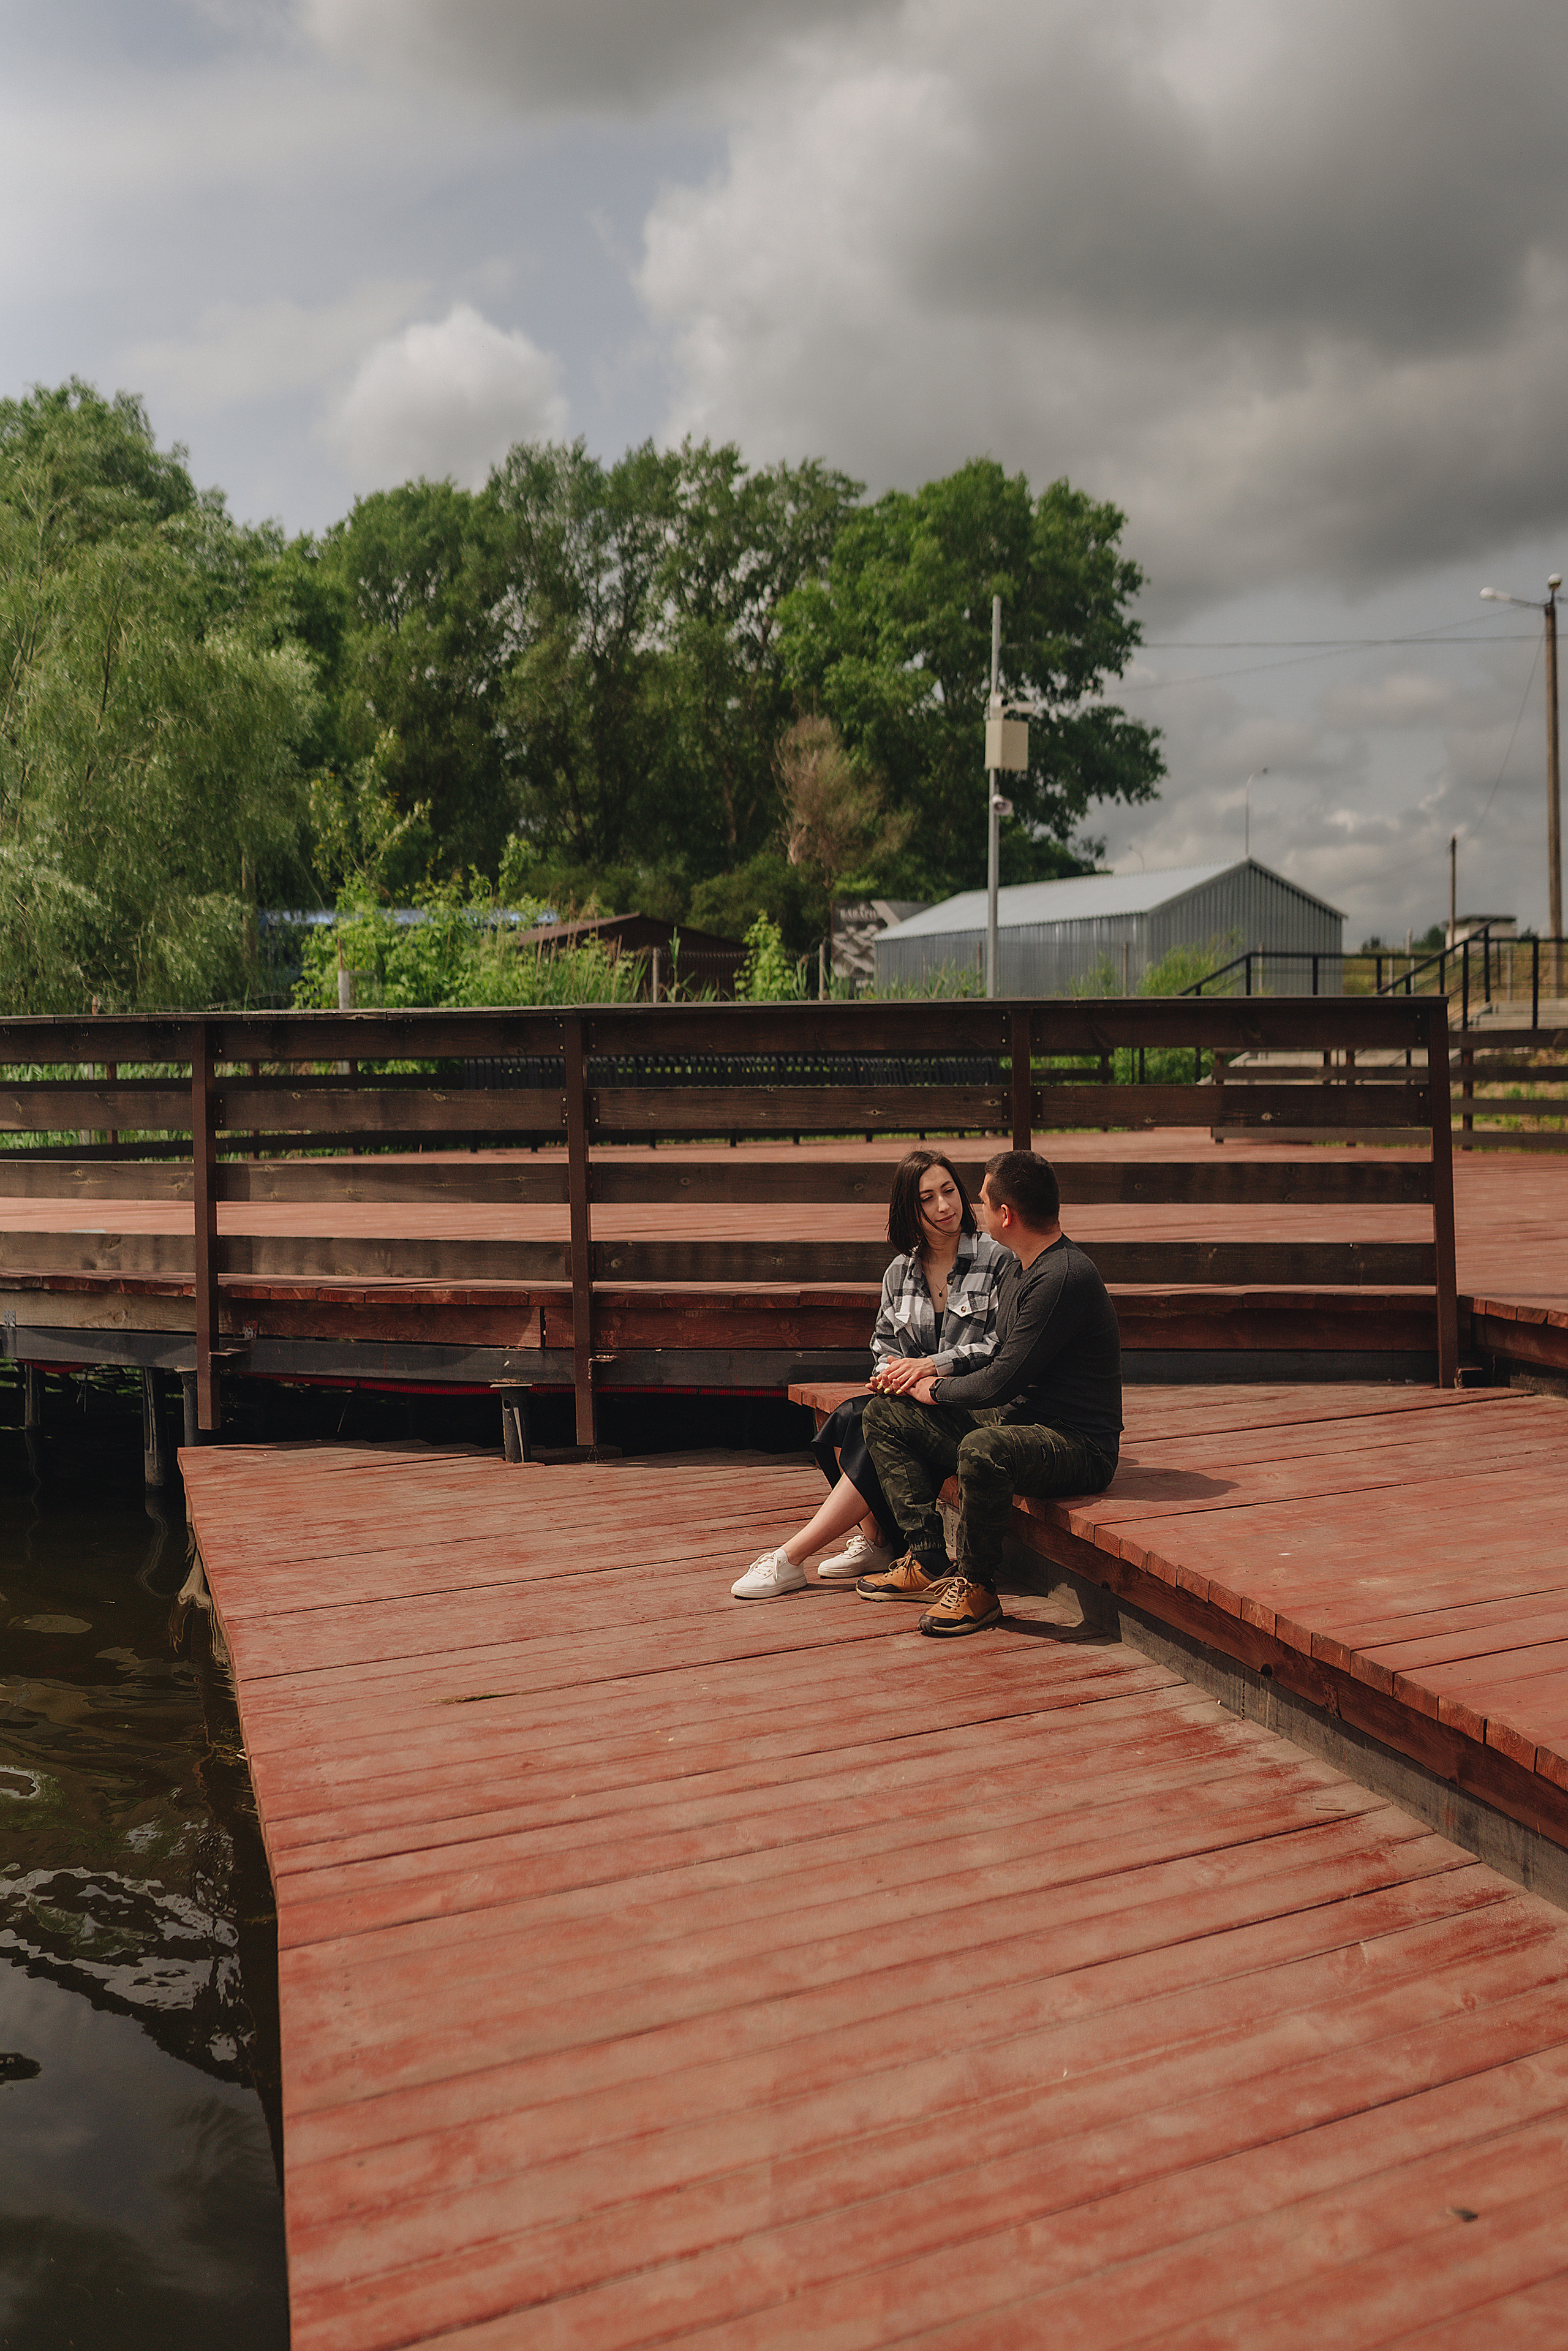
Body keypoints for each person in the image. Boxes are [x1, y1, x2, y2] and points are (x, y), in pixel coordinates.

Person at [856, 1149, 1121, 1637]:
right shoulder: (1025, 1267)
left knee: (982, 1448)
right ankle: (930, 1557)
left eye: (979, 1197)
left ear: (1005, 1215)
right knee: (883, 1414)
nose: (970, 1206)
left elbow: (1001, 1380)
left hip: (1078, 1444)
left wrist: (933, 1387)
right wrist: (913, 1387)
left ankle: (977, 1585)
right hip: (1023, 1424)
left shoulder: (1062, 1278)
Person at [731, 1149, 1014, 1598]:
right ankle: (879, 1540)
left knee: (868, 1423)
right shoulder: (899, 1273)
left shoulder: (997, 1261)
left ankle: (792, 1556)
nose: (945, 1206)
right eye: (928, 1198)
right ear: (909, 1208)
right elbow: (883, 1348)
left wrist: (932, 1368)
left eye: (950, 1191)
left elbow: (1002, 1346)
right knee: (847, 1418)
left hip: (969, 1407)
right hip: (913, 1403)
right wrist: (897, 1378)